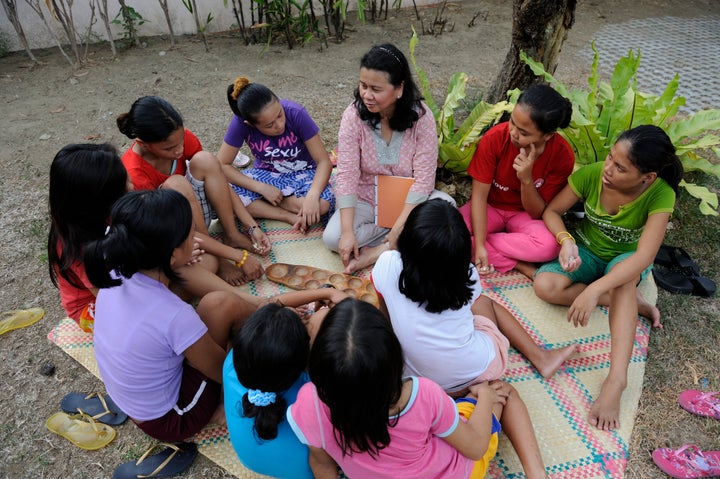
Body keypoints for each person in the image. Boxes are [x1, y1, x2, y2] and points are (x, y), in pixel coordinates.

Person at [287, 298, 549, 479]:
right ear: (395, 361)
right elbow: (475, 447)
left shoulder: (308, 405)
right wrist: (485, 398)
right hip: (454, 472)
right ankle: (537, 473)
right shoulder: (422, 395)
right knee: (502, 390)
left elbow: (322, 464)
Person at [533, 125, 683, 430]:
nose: (608, 169)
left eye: (620, 167)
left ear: (647, 177)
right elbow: (552, 211)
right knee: (544, 286)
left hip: (625, 261)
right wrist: (566, 240)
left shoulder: (660, 194)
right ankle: (631, 304)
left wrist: (594, 290)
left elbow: (644, 257)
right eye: (610, 157)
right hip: (587, 250)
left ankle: (616, 380)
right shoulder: (593, 173)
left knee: (624, 281)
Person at [84, 189, 256, 442]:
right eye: (190, 234)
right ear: (173, 255)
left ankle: (262, 316)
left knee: (215, 304)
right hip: (172, 418)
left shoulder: (116, 269)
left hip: (136, 402)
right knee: (221, 305)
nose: (196, 238)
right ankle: (263, 330)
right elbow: (222, 369)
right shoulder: (173, 315)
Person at [373, 198, 577, 391]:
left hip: (413, 375)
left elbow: (385, 314)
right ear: (462, 253)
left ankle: (538, 358)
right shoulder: (467, 274)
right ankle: (541, 357)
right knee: (485, 303)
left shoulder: (387, 264)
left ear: (408, 239)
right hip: (474, 371)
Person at [322, 43, 455, 274]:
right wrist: (347, 233)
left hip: (408, 202)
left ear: (399, 88)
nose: (366, 95)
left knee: (448, 207)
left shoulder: (421, 118)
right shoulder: (353, 115)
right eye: (363, 85)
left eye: (375, 88)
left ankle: (381, 249)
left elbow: (424, 179)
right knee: (333, 238)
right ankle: (405, 239)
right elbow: (346, 174)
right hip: (366, 198)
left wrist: (399, 225)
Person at [117, 95, 268, 286]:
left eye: (181, 141)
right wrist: (235, 257)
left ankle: (231, 235)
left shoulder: (181, 138)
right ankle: (216, 255)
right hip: (171, 234)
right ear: (142, 144)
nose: (179, 150)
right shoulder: (134, 174)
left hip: (193, 215)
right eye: (170, 148)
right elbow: (159, 231)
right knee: (177, 184)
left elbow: (218, 178)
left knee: (205, 159)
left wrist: (250, 226)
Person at [223, 287, 347, 479]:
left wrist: (325, 294)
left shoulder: (231, 363)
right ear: (304, 360)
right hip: (304, 471)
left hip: (249, 460)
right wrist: (326, 301)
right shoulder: (312, 393)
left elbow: (272, 304)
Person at [459, 83, 574, 278]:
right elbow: (479, 197)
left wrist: (526, 179)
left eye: (524, 132)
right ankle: (518, 263)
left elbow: (538, 212)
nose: (513, 132)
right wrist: (479, 246)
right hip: (489, 207)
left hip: (524, 216)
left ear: (548, 135)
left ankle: (479, 247)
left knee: (549, 247)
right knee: (449, 229)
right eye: (512, 122)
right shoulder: (495, 138)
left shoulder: (562, 155)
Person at [216, 77, 334, 234]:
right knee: (220, 194)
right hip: (266, 175)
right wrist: (262, 188)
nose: (279, 125)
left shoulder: (296, 113)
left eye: (279, 114)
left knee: (323, 204)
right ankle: (286, 215)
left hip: (304, 174)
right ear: (250, 124)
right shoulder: (239, 123)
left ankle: (273, 202)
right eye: (269, 125)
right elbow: (221, 165)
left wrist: (313, 195)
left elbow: (323, 162)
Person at [47, 143, 130, 333]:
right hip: (92, 308)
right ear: (98, 202)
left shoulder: (93, 216)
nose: (131, 186)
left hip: (116, 279)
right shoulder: (79, 249)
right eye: (122, 187)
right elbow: (110, 299)